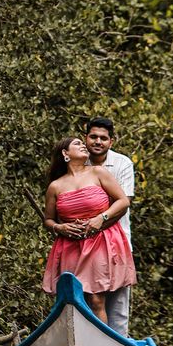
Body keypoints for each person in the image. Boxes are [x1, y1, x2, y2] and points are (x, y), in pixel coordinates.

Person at [42, 136, 135, 326]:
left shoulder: (98, 173)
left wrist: (102, 218)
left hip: (99, 241)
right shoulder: (55, 186)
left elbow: (123, 201)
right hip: (70, 246)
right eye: (77, 144)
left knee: (95, 299)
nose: (83, 145)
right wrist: (60, 227)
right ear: (65, 153)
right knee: (74, 301)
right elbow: (48, 220)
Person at [83, 116, 135, 336]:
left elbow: (123, 203)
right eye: (93, 136)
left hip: (118, 241)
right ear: (85, 138)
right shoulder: (77, 163)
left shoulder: (122, 163)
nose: (98, 141)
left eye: (103, 138)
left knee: (118, 306)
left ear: (111, 142)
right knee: (88, 301)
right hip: (82, 244)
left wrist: (98, 221)